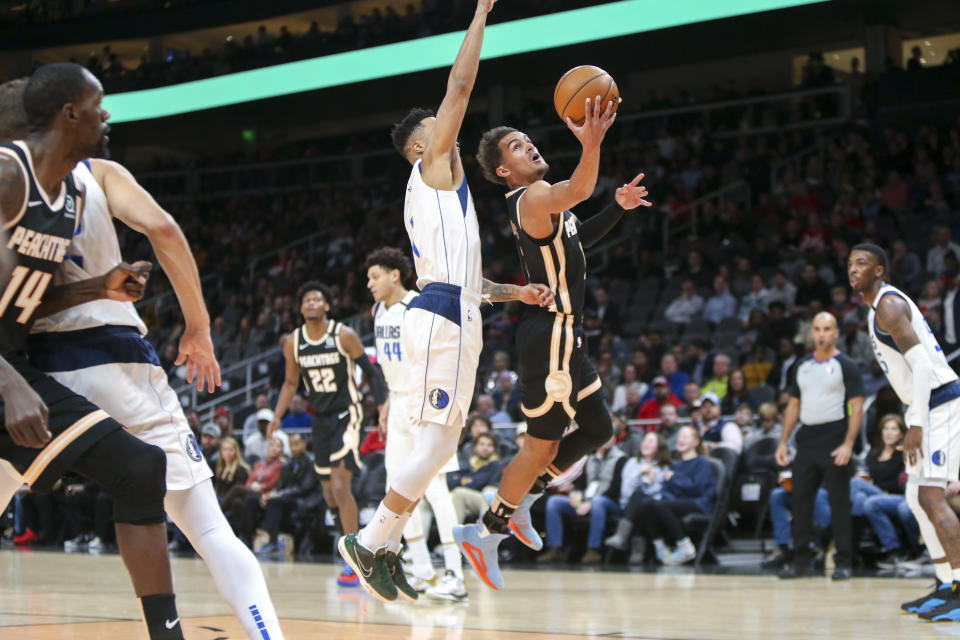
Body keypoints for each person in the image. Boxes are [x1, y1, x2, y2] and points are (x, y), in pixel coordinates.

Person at [339, 0, 553, 604]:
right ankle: (374, 541)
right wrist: (481, 12)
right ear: (418, 146)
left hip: (454, 309)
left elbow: (469, 279)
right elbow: (461, 83)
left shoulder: (445, 191)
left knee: (444, 443)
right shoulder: (432, 165)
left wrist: (515, 291)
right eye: (436, 125)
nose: (448, 127)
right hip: (438, 317)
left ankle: (382, 542)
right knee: (437, 443)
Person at [0, 65, 200, 640]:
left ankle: (167, 633)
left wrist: (96, 286)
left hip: (15, 366)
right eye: (98, 103)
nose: (106, 114)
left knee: (140, 467)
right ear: (69, 113)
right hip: (8, 376)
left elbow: (21, 303)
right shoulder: (8, 176)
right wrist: (11, 384)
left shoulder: (63, 202)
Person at [454, 80, 652, 590]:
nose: (529, 145)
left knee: (598, 431)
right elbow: (579, 189)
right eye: (517, 146)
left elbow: (579, 233)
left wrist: (619, 208)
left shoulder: (547, 205)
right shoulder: (533, 198)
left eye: (526, 138)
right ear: (505, 171)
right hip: (549, 339)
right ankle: (486, 530)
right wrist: (591, 144)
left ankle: (524, 501)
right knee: (539, 448)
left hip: (566, 334)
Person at [849, 244, 960, 619]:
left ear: (880, 270)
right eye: (850, 264)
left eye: (862, 263)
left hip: (940, 403)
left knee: (931, 496)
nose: (854, 269)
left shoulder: (889, 306)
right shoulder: (874, 309)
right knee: (915, 497)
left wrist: (916, 423)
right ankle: (947, 584)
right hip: (926, 406)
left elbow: (925, 368)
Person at [365, 247, 466, 602]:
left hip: (425, 403)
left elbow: (437, 357)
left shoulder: (419, 306)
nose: (369, 284)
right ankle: (421, 571)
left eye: (374, 276)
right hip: (398, 403)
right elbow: (392, 365)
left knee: (436, 489)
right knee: (397, 488)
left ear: (395, 274)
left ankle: (456, 573)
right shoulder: (378, 311)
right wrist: (389, 402)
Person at [270, 281, 387, 587]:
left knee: (339, 484)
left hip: (348, 414)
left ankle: (355, 559)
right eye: (306, 300)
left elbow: (371, 372)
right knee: (327, 492)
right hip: (319, 420)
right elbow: (290, 385)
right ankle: (351, 542)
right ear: (300, 308)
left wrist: (384, 405)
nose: (311, 303)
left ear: (327, 306)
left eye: (317, 299)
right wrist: (276, 417)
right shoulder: (293, 343)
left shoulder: (343, 335)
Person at [775, 312, 865, 580]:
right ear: (811, 333)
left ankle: (844, 562)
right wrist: (783, 441)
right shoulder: (801, 365)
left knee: (839, 504)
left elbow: (857, 406)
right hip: (807, 439)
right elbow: (793, 405)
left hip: (835, 436)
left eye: (827, 329)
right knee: (800, 502)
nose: (822, 334)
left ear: (836, 333)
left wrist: (849, 443)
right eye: (817, 329)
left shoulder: (845, 365)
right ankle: (801, 561)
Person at [615, 426, 714, 565]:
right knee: (648, 504)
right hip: (676, 502)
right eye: (679, 436)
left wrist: (674, 479)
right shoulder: (675, 465)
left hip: (698, 502)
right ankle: (660, 548)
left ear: (696, 442)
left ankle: (685, 546)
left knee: (661, 505)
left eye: (685, 437)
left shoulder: (702, 463)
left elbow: (696, 488)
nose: (680, 440)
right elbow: (667, 489)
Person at [539, 436, 626, 564]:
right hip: (587, 500)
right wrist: (576, 496)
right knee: (554, 502)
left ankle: (593, 549)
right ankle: (555, 548)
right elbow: (581, 483)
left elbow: (616, 488)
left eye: (610, 436)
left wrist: (590, 503)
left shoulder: (621, 458)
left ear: (614, 439)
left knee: (598, 502)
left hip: (609, 502)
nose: (606, 439)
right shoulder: (590, 457)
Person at [857, 414, 918, 563]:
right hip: (879, 494)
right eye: (886, 428)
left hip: (898, 496)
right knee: (856, 489)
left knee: (868, 500)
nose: (889, 432)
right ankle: (857, 544)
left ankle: (894, 548)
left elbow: (904, 483)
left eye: (894, 429)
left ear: (902, 433)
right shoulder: (872, 455)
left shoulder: (903, 454)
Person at [604, 432, 673, 554]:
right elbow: (625, 492)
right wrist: (638, 475)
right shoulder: (631, 463)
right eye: (645, 440)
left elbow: (659, 496)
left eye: (651, 441)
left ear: (659, 447)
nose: (646, 443)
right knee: (638, 497)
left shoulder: (664, 468)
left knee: (642, 501)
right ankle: (637, 547)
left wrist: (652, 481)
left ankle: (622, 536)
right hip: (628, 505)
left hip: (650, 507)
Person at [254, 433, 320, 555]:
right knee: (256, 501)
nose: (294, 448)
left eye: (296, 444)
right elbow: (280, 486)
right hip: (290, 499)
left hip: (305, 501)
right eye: (291, 445)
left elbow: (303, 488)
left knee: (275, 501)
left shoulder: (312, 462)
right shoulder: (288, 464)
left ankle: (273, 542)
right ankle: (248, 539)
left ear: (304, 444)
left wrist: (279, 495)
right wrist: (269, 494)